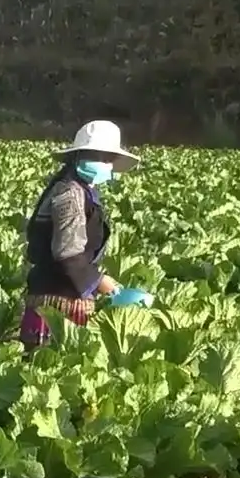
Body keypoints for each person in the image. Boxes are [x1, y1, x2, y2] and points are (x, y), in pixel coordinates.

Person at [19, 120, 153, 350]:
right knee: (54, 367)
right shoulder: (70, 193)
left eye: (108, 159)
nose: (106, 164)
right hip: (58, 301)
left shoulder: (82, 190)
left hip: (63, 294)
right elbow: (67, 251)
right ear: (79, 156)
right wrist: (101, 283)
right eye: (99, 157)